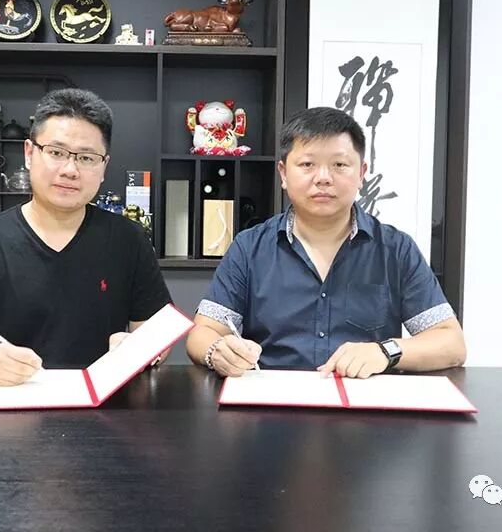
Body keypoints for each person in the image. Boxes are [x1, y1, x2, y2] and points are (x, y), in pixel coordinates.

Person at [0, 88, 172, 385]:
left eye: (86, 158)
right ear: (30, 153)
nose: (70, 170)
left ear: (104, 167)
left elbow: (159, 335)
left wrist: (141, 349)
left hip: (104, 404)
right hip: (7, 403)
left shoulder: (128, 240)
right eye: (56, 152)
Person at [187, 107, 466, 378]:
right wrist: (218, 350)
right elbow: (202, 333)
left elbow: (451, 344)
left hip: (365, 402)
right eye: (307, 165)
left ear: (361, 173)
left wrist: (385, 351)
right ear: (283, 173)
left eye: (339, 165)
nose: (323, 178)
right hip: (273, 401)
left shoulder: (396, 249)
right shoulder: (249, 248)